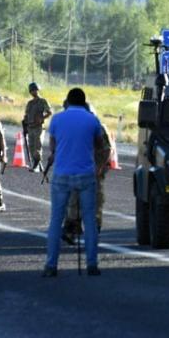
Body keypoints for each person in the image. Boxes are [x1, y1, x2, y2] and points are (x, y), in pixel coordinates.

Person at [42, 88, 106, 277]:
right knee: (89, 221)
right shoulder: (92, 120)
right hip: (86, 174)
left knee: (56, 220)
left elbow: (53, 146)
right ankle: (92, 264)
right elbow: (100, 145)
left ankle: (51, 265)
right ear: (84, 102)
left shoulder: (57, 119)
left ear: (68, 102)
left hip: (62, 174)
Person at [63, 103, 112, 244]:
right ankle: (72, 230)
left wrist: (99, 168)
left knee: (94, 202)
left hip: (95, 171)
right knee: (73, 200)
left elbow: (107, 150)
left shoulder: (99, 129)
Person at [22, 82, 52, 171]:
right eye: (31, 91)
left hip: (38, 127)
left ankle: (35, 166)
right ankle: (37, 164)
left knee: (37, 147)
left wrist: (42, 118)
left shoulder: (43, 101)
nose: (33, 92)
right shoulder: (30, 103)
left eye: (34, 90)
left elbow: (49, 112)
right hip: (30, 127)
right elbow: (26, 116)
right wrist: (25, 126)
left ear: (38, 90)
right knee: (31, 146)